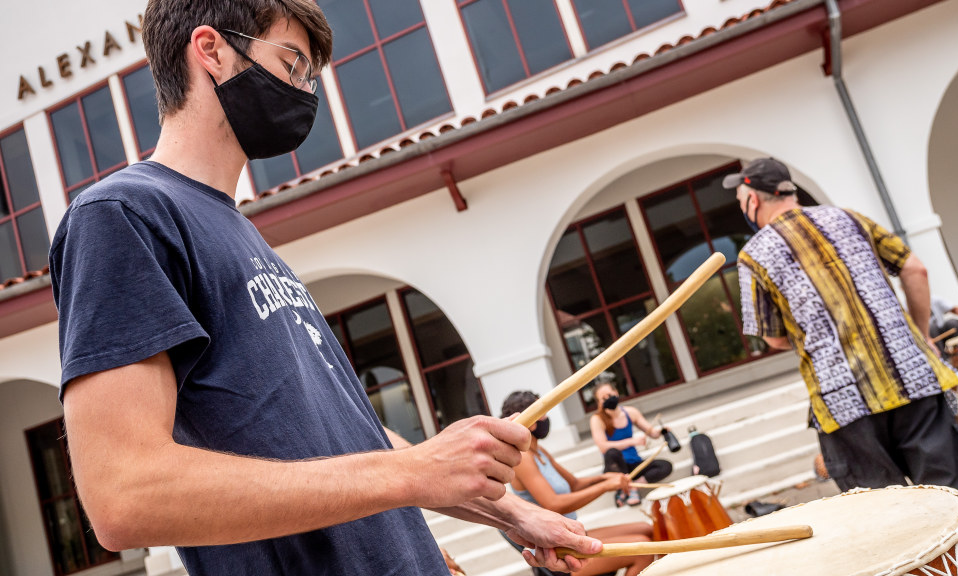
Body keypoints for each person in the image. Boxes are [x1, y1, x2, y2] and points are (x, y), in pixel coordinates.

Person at [47, 1, 601, 574]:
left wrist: (511, 512)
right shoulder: (123, 216)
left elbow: (350, 433)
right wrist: (414, 472)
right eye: (291, 64)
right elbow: (125, 494)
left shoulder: (239, 231)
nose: (305, 91)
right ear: (210, 50)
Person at [724, 157, 958, 503]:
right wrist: (921, 335)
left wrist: (814, 333)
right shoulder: (848, 217)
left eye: (740, 199)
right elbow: (915, 269)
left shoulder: (753, 255)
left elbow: (772, 337)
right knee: (953, 501)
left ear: (752, 198)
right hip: (912, 377)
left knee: (886, 514)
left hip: (842, 401)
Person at [502, 391, 656, 576]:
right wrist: (605, 487)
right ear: (530, 420)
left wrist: (605, 478)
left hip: (571, 537)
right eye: (542, 413)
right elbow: (553, 504)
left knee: (648, 529)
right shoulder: (523, 458)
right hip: (557, 553)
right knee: (643, 549)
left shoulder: (538, 451)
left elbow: (574, 484)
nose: (547, 417)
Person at [590, 382, 673, 506]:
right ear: (599, 402)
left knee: (665, 466)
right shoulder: (597, 419)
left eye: (610, 395)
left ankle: (632, 487)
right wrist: (631, 442)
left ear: (616, 392)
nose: (608, 399)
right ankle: (622, 486)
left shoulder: (631, 412)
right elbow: (603, 447)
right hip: (617, 467)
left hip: (634, 463)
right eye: (604, 398)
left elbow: (652, 433)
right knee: (612, 452)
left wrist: (661, 431)